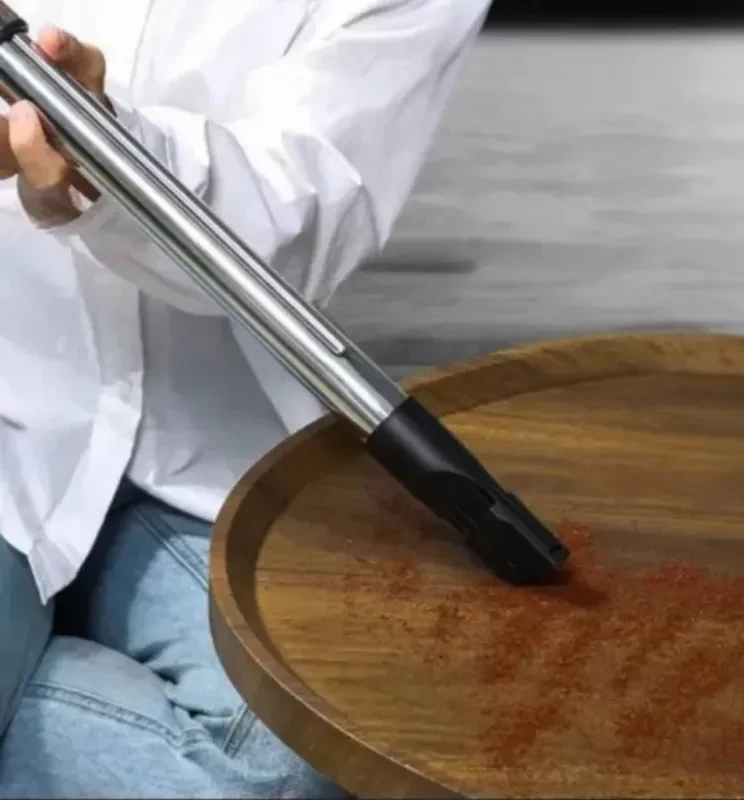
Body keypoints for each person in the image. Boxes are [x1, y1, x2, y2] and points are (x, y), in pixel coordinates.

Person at [0, 0, 488, 795]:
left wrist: (107, 154)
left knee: (305, 762)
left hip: (204, 457)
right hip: (12, 422)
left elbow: (307, 207)